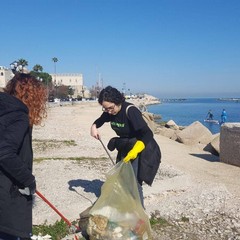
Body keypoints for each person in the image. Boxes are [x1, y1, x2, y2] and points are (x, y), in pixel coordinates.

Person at [90, 86, 161, 207]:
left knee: (134, 181)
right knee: (123, 178)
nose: (109, 112)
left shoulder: (130, 111)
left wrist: (136, 149)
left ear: (118, 102)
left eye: (111, 108)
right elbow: (101, 120)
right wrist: (94, 127)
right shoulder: (109, 112)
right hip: (125, 146)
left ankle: (139, 214)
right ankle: (126, 208)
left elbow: (148, 133)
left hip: (140, 147)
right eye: (105, 109)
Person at [0, 73, 47, 239]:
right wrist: (28, 179)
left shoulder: (4, 109)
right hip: (6, 193)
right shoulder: (18, 114)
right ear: (32, 96)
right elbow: (4, 152)